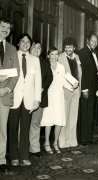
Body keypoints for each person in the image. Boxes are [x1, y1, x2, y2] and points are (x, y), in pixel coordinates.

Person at [8, 33, 41, 166]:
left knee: (26, 129)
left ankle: (24, 156)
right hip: (14, 98)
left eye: (28, 42)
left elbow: (38, 82)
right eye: (23, 41)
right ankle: (14, 157)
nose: (26, 44)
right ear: (18, 43)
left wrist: (37, 99)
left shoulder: (35, 60)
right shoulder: (12, 56)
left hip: (29, 100)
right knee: (13, 128)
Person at [40, 47, 73, 154]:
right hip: (48, 96)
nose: (54, 57)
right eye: (52, 54)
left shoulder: (61, 67)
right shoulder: (44, 65)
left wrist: (73, 86)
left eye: (56, 54)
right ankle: (46, 143)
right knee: (48, 121)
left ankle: (55, 143)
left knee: (58, 120)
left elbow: (64, 82)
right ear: (48, 55)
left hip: (59, 97)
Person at [0, 17, 19, 172]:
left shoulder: (12, 49)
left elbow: (15, 74)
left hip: (5, 95)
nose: (5, 30)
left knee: (2, 130)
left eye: (7, 28)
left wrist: (6, 89)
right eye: (2, 26)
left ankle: (0, 160)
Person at [29, 41, 53, 157]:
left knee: (35, 123)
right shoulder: (26, 61)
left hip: (40, 97)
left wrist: (42, 88)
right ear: (30, 48)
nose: (36, 49)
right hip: (26, 98)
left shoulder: (44, 63)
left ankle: (34, 148)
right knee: (23, 124)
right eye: (34, 47)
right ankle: (22, 147)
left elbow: (50, 77)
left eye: (39, 47)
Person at [58, 37, 82, 148]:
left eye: (70, 46)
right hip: (65, 91)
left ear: (74, 48)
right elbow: (59, 76)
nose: (68, 48)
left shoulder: (77, 57)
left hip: (76, 91)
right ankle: (63, 141)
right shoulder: (60, 58)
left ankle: (72, 140)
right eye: (66, 46)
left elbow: (80, 74)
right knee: (65, 117)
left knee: (73, 117)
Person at [78, 32, 98, 146]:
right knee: (84, 113)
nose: (94, 43)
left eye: (96, 42)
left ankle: (88, 137)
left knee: (90, 114)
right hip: (86, 89)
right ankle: (82, 138)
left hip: (92, 89)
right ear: (87, 40)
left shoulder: (95, 53)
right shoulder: (82, 52)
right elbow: (81, 73)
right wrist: (84, 88)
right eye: (92, 41)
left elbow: (96, 71)